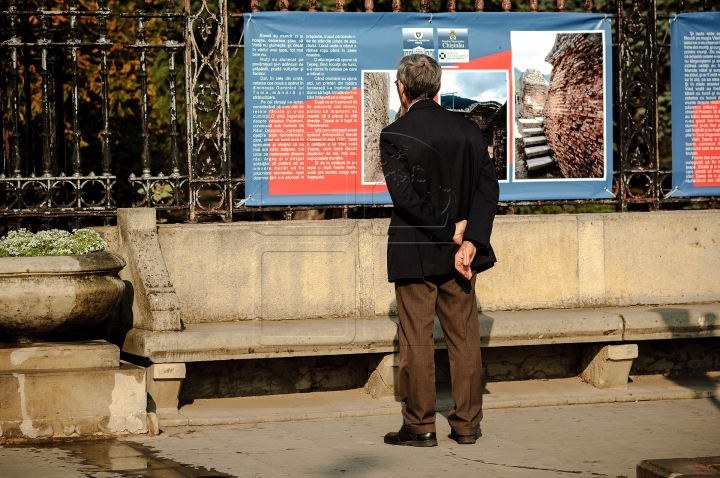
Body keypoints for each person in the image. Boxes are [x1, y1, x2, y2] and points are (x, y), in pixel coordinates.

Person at [379, 54, 500, 447]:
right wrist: (470, 241)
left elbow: (406, 199)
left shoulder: (395, 134)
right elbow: (488, 190)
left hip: (416, 251)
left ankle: (419, 426)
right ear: (438, 87)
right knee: (464, 339)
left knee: (416, 339)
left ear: (402, 88)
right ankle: (467, 425)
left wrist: (451, 234)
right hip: (461, 257)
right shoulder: (469, 131)